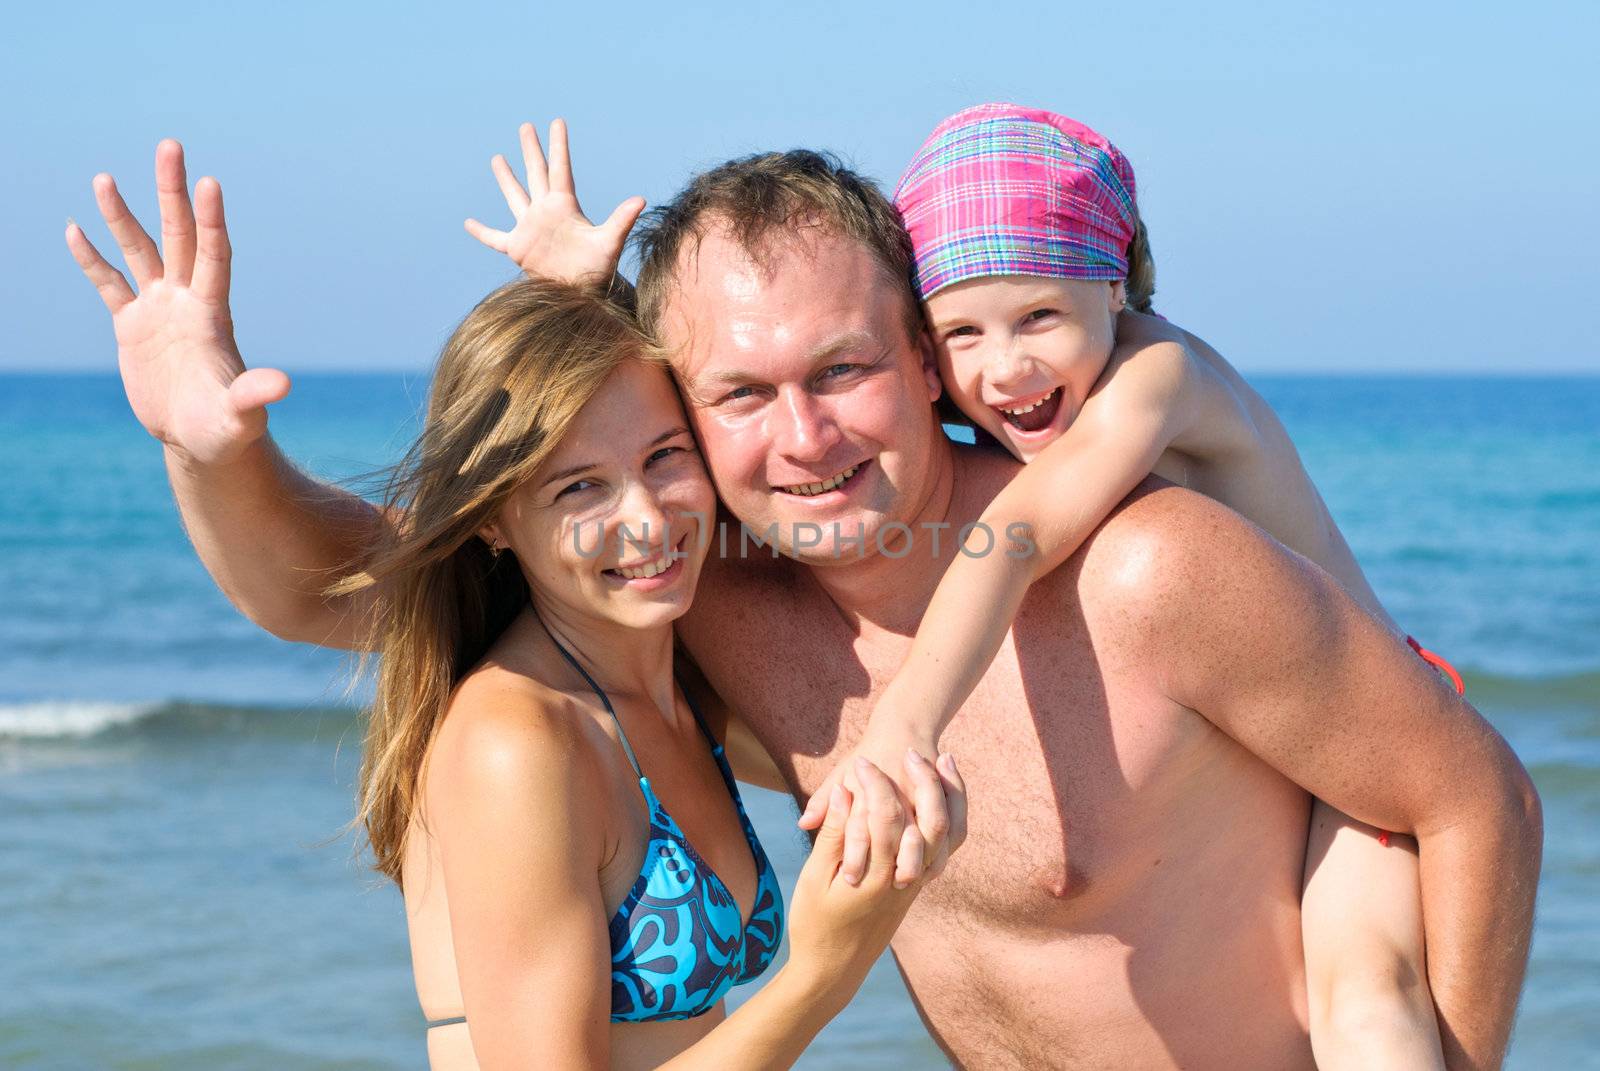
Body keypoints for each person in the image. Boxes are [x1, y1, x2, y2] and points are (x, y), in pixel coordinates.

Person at [76, 122, 1542, 1069]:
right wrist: (217, 453)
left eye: (842, 370)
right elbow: (343, 587)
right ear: (682, 413)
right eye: (741, 394)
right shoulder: (710, 597)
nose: (805, 436)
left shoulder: (1148, 575)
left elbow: (1476, 798)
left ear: (926, 358)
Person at [63, 142, 965, 1071]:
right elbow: (309, 579)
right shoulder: (516, 744)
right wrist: (822, 970)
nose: (646, 521)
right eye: (579, 490)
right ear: (496, 519)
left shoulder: (676, 686)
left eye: (665, 457)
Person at [785, 101, 1463, 1068]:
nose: (1004, 364)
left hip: (1366, 730)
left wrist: (905, 724)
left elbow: (1014, 536)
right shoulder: (1022, 407)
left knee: (1363, 1006)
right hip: (1268, 746)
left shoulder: (1160, 372)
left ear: (1115, 286)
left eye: (1039, 316)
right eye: (961, 334)